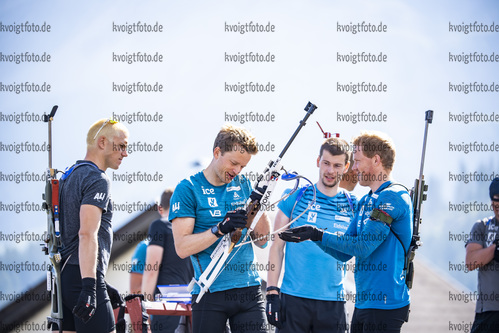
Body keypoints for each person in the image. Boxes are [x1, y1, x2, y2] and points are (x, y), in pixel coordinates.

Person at [280, 131, 412, 333]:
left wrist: (318, 234)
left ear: (376, 160)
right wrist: (312, 237)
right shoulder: (367, 200)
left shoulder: (392, 197)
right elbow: (344, 253)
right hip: (364, 304)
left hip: (386, 305)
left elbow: (363, 247)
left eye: (358, 161)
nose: (355, 168)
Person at [170, 123, 271, 333]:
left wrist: (261, 200)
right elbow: (182, 247)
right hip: (209, 291)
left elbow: (262, 240)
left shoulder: (243, 184)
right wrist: (219, 229)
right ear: (217, 152)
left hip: (248, 289)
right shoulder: (188, 188)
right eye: (234, 163)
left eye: (243, 166)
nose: (237, 171)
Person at [266, 137, 357, 332]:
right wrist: (272, 291)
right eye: (326, 163)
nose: (330, 171)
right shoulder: (296, 196)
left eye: (337, 165)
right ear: (318, 162)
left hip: (333, 303)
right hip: (293, 299)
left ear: (346, 167)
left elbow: (359, 247)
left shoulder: (353, 204)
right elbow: (277, 247)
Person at [58, 118, 129, 333]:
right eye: (122, 146)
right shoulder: (98, 178)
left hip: (64, 276)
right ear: (102, 142)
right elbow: (87, 234)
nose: (125, 153)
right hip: (84, 277)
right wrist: (91, 285)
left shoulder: (69, 174)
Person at [141, 188, 194, 333]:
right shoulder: (192, 231)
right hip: (191, 303)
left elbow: (152, 269)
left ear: (160, 208)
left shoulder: (159, 225)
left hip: (167, 302)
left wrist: (144, 308)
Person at [465, 177, 499, 333]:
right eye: (494, 203)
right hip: (487, 312)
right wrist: (494, 248)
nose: (496, 207)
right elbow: (471, 262)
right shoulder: (482, 226)